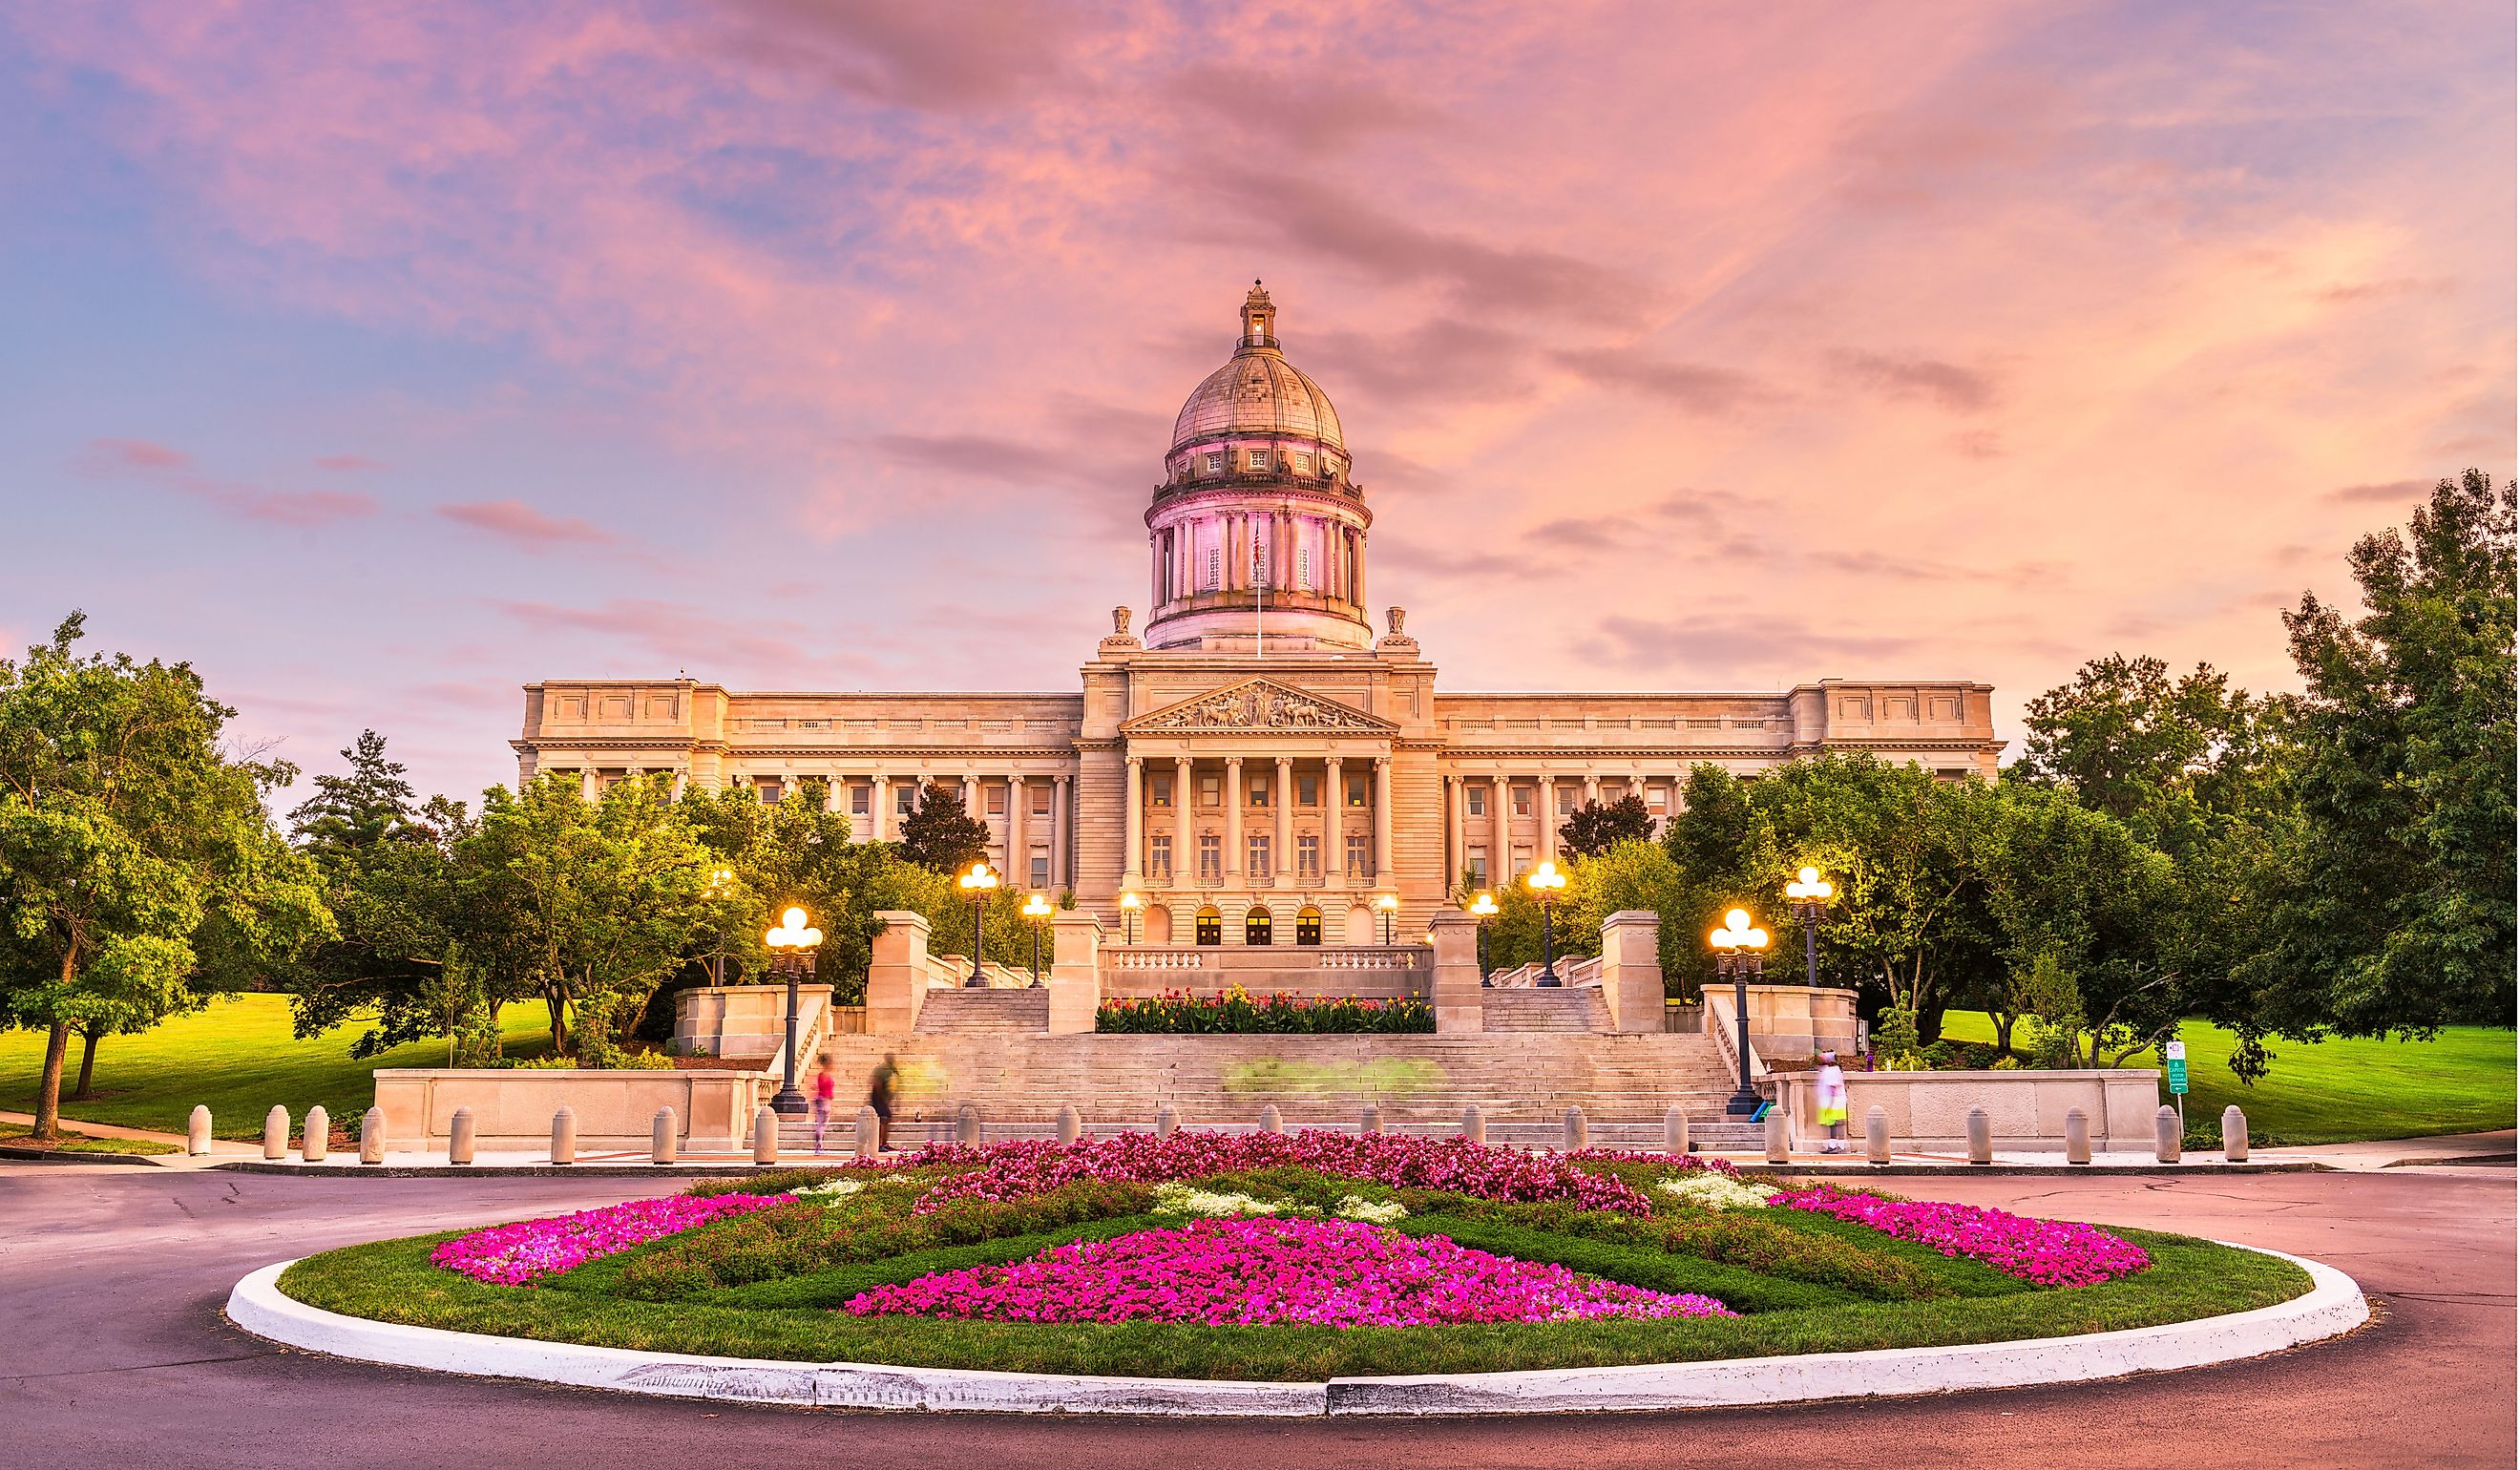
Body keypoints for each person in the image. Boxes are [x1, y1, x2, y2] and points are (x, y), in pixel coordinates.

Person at [1815, 1051, 1850, 1153]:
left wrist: (1830, 1104)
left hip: (1835, 1101)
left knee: (1837, 1124)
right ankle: (1832, 1145)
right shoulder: (1828, 1070)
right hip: (1829, 1101)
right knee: (1831, 1124)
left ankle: (1841, 1146)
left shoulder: (1834, 1071)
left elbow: (1833, 1087)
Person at [868, 1052, 898, 1153]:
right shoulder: (881, 1069)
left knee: (886, 1118)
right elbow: (876, 1083)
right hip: (878, 1097)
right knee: (883, 1119)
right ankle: (879, 1144)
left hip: (883, 1098)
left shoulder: (892, 1069)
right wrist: (882, 1098)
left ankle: (884, 1143)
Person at [810, 1060, 837, 1155]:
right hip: (824, 1100)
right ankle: (819, 1145)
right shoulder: (826, 1076)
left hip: (822, 1100)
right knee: (822, 1124)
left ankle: (819, 1145)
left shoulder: (821, 1076)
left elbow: (815, 1086)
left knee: (820, 1124)